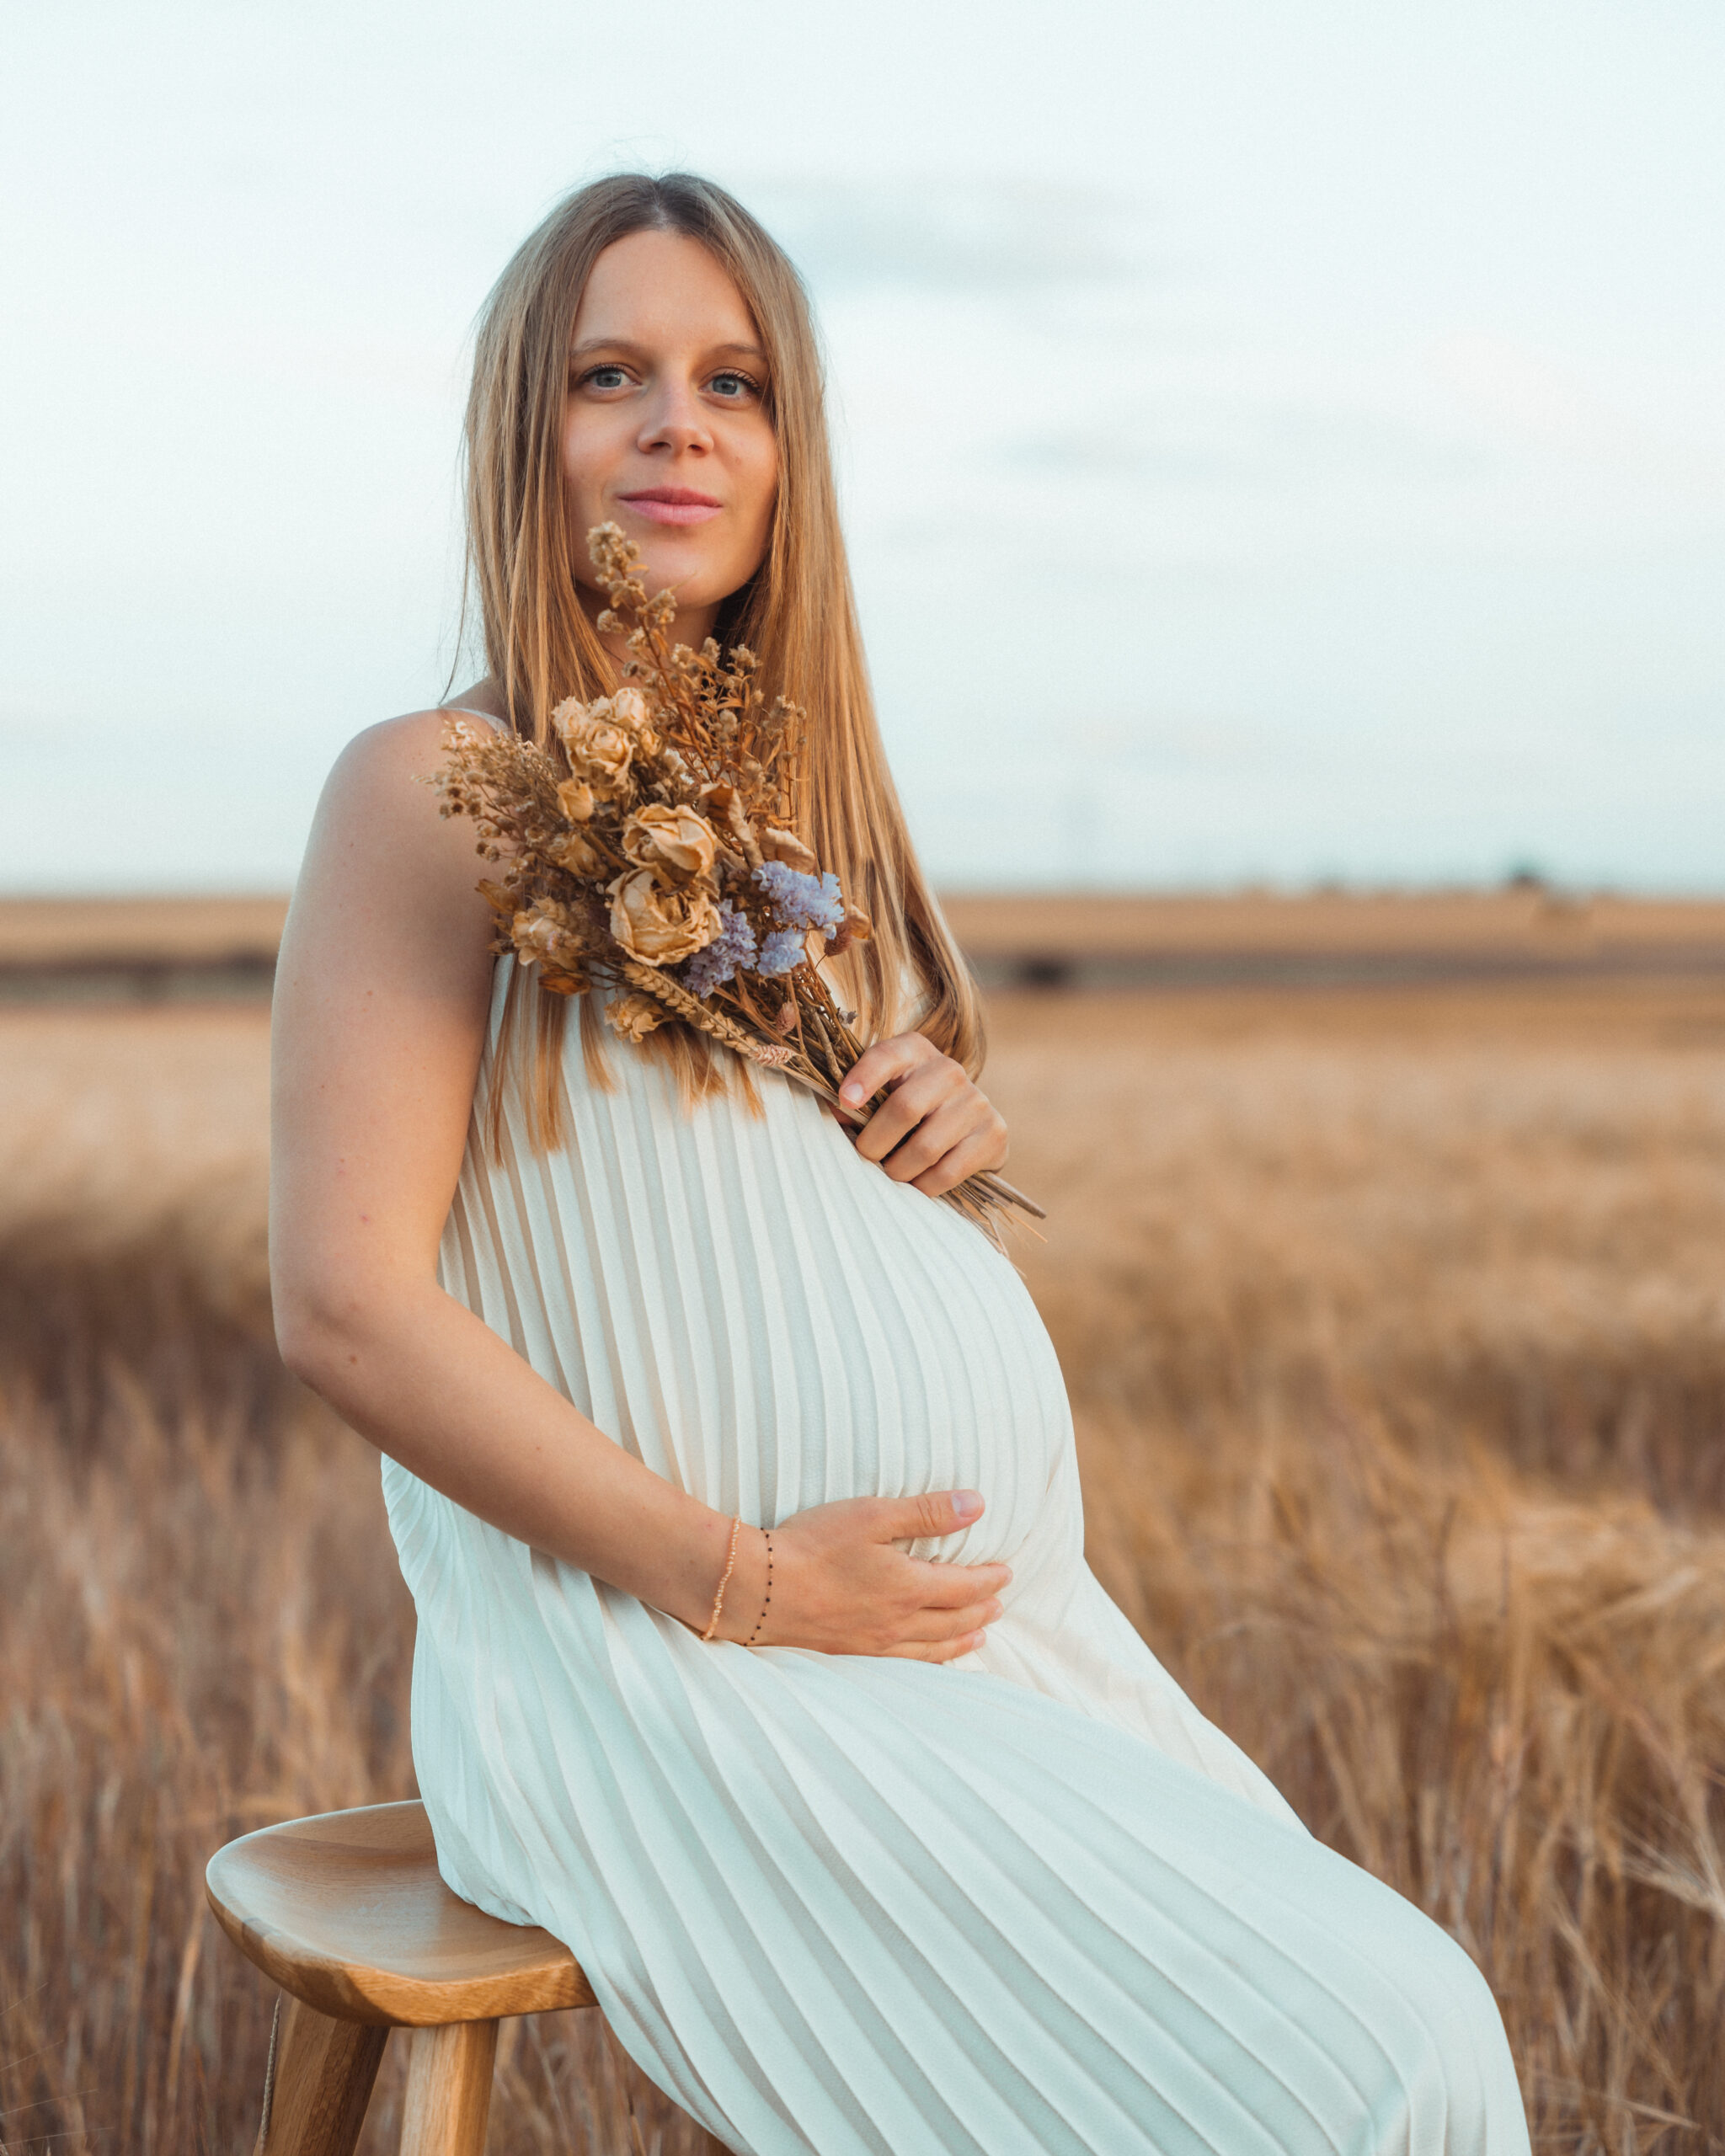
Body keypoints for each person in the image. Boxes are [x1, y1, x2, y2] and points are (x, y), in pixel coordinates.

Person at [270, 173, 1530, 2155]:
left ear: (790, 459)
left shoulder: (785, 847)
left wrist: (927, 1137)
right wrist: (747, 1578)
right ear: (527, 430)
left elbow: (730, 1218)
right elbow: (344, 1301)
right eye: (612, 374)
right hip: (668, 1660)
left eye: (734, 383)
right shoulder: (436, 789)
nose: (678, 422)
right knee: (1381, 2055)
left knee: (1403, 2034)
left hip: (964, 1650)